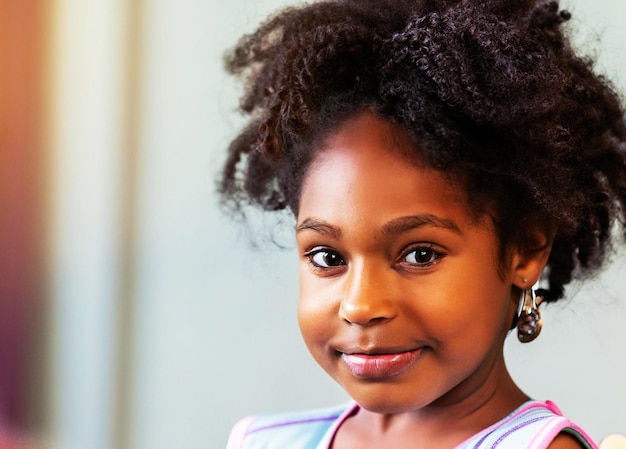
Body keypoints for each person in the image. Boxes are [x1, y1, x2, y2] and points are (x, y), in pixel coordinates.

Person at [218, 0, 626, 447]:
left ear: (524, 249)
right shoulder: (263, 441)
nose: (360, 306)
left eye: (419, 254)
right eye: (328, 257)